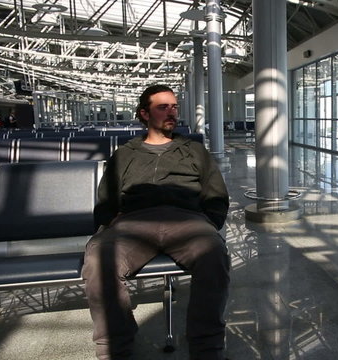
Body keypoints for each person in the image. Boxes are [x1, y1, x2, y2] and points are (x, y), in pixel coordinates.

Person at [81, 84, 230, 360]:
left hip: (187, 220)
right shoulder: (126, 154)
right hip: (133, 223)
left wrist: (209, 221)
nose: (171, 112)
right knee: (100, 261)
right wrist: (110, 221)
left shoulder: (194, 151)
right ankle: (116, 349)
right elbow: (105, 199)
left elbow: (216, 194)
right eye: (163, 107)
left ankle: (207, 348)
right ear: (144, 114)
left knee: (214, 256)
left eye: (174, 106)